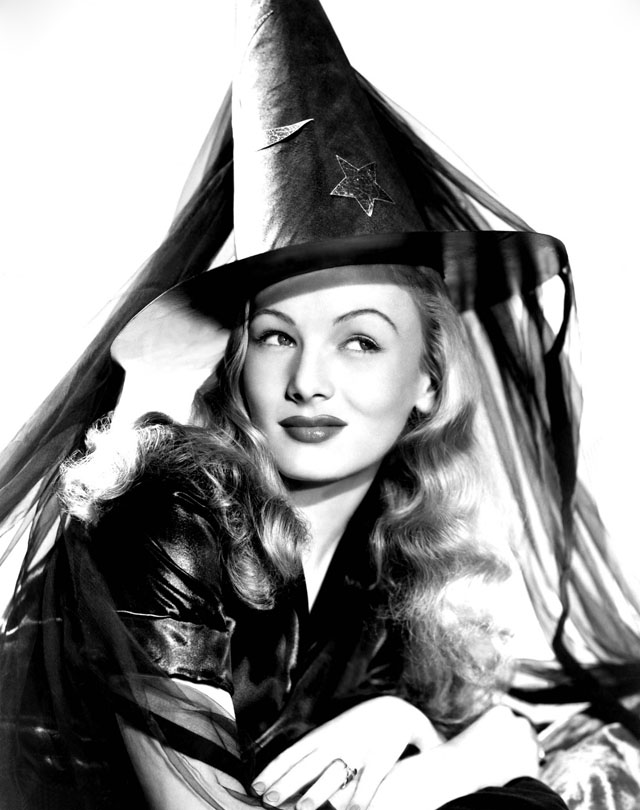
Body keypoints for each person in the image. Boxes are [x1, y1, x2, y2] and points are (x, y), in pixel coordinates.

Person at [0, 1, 573, 808]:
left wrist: (408, 721)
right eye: (276, 336)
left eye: (361, 341)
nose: (309, 380)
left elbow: (497, 734)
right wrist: (435, 780)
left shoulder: (387, 563)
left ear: (428, 380)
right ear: (237, 361)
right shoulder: (167, 516)